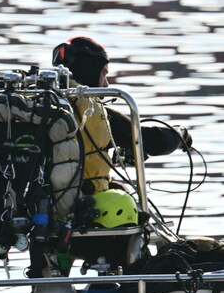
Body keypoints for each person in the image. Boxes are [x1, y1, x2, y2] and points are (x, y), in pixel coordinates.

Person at [52, 36, 193, 194]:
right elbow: (156, 142)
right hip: (73, 205)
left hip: (38, 203)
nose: (106, 84)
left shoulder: (42, 105)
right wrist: (181, 134)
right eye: (103, 74)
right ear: (89, 71)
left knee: (117, 186)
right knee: (123, 203)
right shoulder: (87, 110)